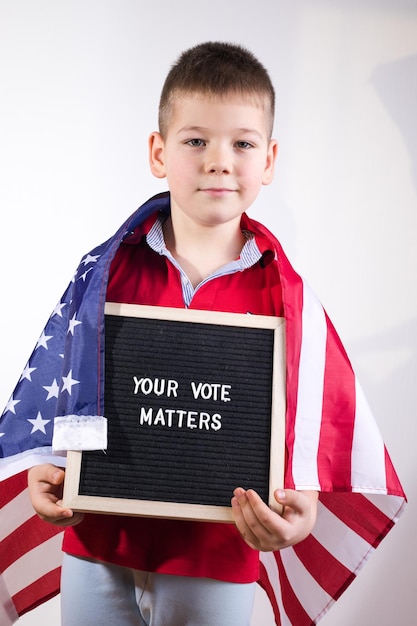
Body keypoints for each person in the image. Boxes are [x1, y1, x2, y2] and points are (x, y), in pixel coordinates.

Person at [1, 42, 405, 626]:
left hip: (216, 557)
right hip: (97, 546)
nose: (219, 161)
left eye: (241, 144)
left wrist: (303, 504)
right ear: (159, 153)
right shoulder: (104, 276)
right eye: (196, 141)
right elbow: (69, 390)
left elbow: (312, 422)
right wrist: (50, 463)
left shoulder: (287, 299)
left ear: (268, 160)